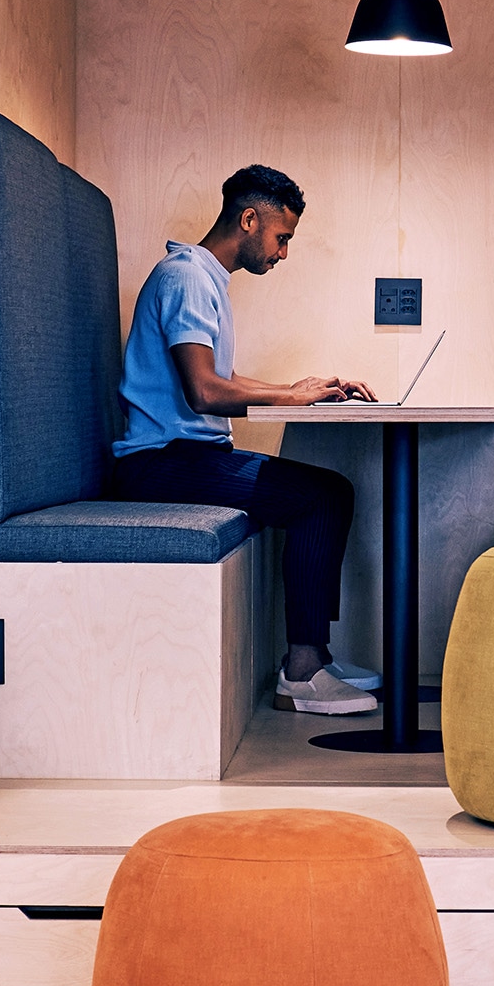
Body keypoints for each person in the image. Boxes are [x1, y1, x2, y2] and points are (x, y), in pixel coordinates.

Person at [112, 163, 381, 715]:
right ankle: (303, 671)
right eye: (282, 239)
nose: (283, 253)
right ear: (250, 219)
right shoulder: (186, 277)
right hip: (159, 464)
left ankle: (315, 659)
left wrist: (302, 388)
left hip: (183, 456)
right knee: (323, 496)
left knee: (328, 491)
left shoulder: (204, 278)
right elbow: (204, 393)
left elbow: (221, 377)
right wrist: (293, 398)